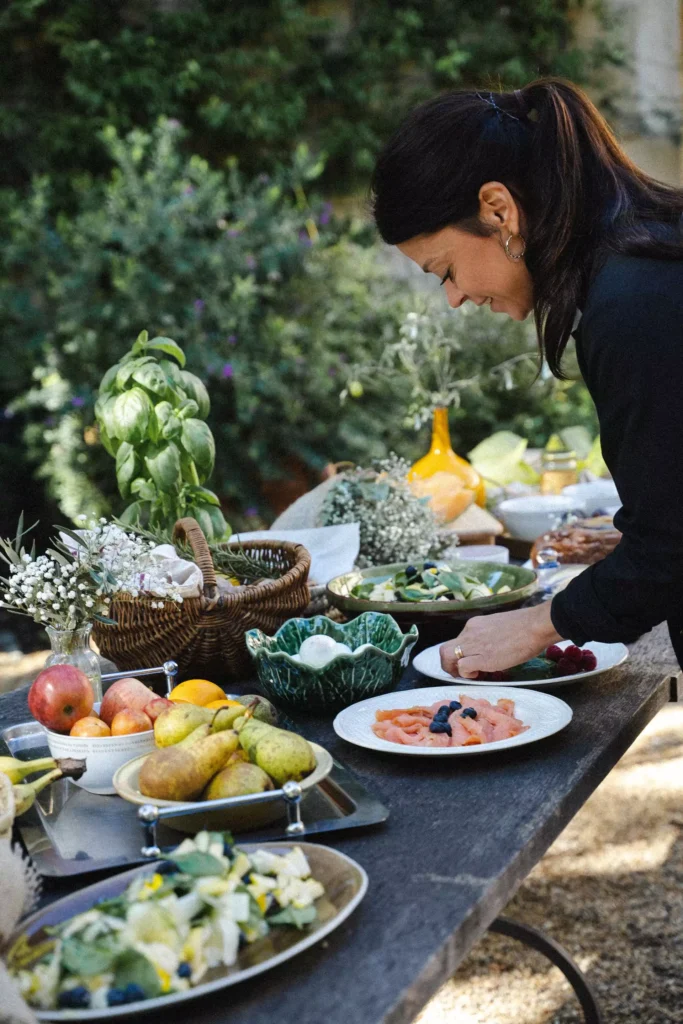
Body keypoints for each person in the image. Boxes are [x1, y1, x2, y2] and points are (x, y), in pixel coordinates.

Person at [371, 78, 683, 677]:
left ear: (498, 209)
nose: (455, 298)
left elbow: (670, 549)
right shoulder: (645, 256)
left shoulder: (633, 302)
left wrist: (537, 624)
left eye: (446, 270)